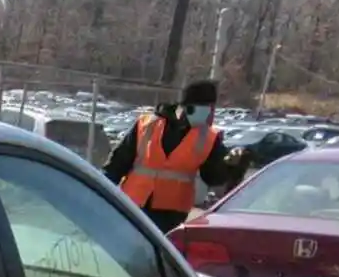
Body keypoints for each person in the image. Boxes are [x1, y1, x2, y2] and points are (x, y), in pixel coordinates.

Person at [104, 79, 245, 233]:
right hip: (134, 203)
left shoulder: (208, 136)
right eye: (206, 108)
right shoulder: (147, 124)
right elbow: (117, 164)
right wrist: (99, 193)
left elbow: (212, 176)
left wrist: (230, 165)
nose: (209, 114)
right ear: (188, 106)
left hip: (171, 214)